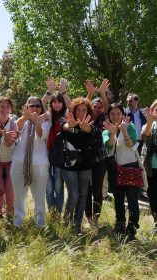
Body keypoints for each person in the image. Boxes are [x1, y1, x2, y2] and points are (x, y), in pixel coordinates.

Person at [11, 97, 50, 228]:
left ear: (41, 108)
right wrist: (26, 118)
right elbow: (17, 127)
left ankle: (40, 223)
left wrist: (37, 122)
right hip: (19, 162)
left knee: (39, 196)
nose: (35, 108)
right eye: (31, 105)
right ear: (26, 107)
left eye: (38, 105)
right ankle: (18, 223)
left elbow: (41, 135)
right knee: (19, 196)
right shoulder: (21, 120)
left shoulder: (45, 120)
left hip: (40, 164)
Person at [103, 103, 140, 240]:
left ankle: (132, 227)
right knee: (118, 200)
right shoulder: (106, 130)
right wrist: (112, 133)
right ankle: (119, 224)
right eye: (112, 113)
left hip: (131, 166)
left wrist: (124, 131)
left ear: (122, 114)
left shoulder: (129, 126)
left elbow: (132, 145)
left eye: (118, 113)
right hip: (115, 169)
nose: (115, 116)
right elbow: (109, 146)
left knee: (132, 200)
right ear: (108, 115)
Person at [60, 97, 93, 234]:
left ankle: (77, 225)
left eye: (84, 110)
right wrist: (70, 126)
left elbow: (93, 134)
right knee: (73, 195)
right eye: (78, 109)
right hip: (69, 166)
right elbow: (64, 127)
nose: (81, 112)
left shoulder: (90, 124)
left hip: (85, 165)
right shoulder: (66, 120)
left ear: (88, 111)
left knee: (83, 195)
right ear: (73, 110)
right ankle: (66, 222)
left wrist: (88, 130)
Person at [84, 79, 109, 227]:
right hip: (85, 159)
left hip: (100, 159)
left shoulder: (102, 119)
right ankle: (88, 218)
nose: (98, 108)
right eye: (95, 105)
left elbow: (106, 107)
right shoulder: (85, 118)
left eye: (99, 106)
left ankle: (96, 218)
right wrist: (90, 94)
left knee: (97, 189)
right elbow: (82, 105)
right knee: (86, 189)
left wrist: (102, 94)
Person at [45, 92, 67, 214]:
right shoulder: (47, 115)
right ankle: (51, 211)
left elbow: (73, 105)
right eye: (54, 101)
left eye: (59, 101)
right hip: (45, 153)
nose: (57, 104)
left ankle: (58, 212)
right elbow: (39, 104)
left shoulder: (66, 115)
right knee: (48, 187)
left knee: (58, 186)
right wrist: (48, 92)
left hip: (60, 154)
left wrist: (64, 93)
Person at [141, 100, 157, 234]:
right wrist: (150, 122)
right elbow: (145, 136)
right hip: (151, 167)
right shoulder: (149, 125)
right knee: (152, 194)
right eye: (156, 109)